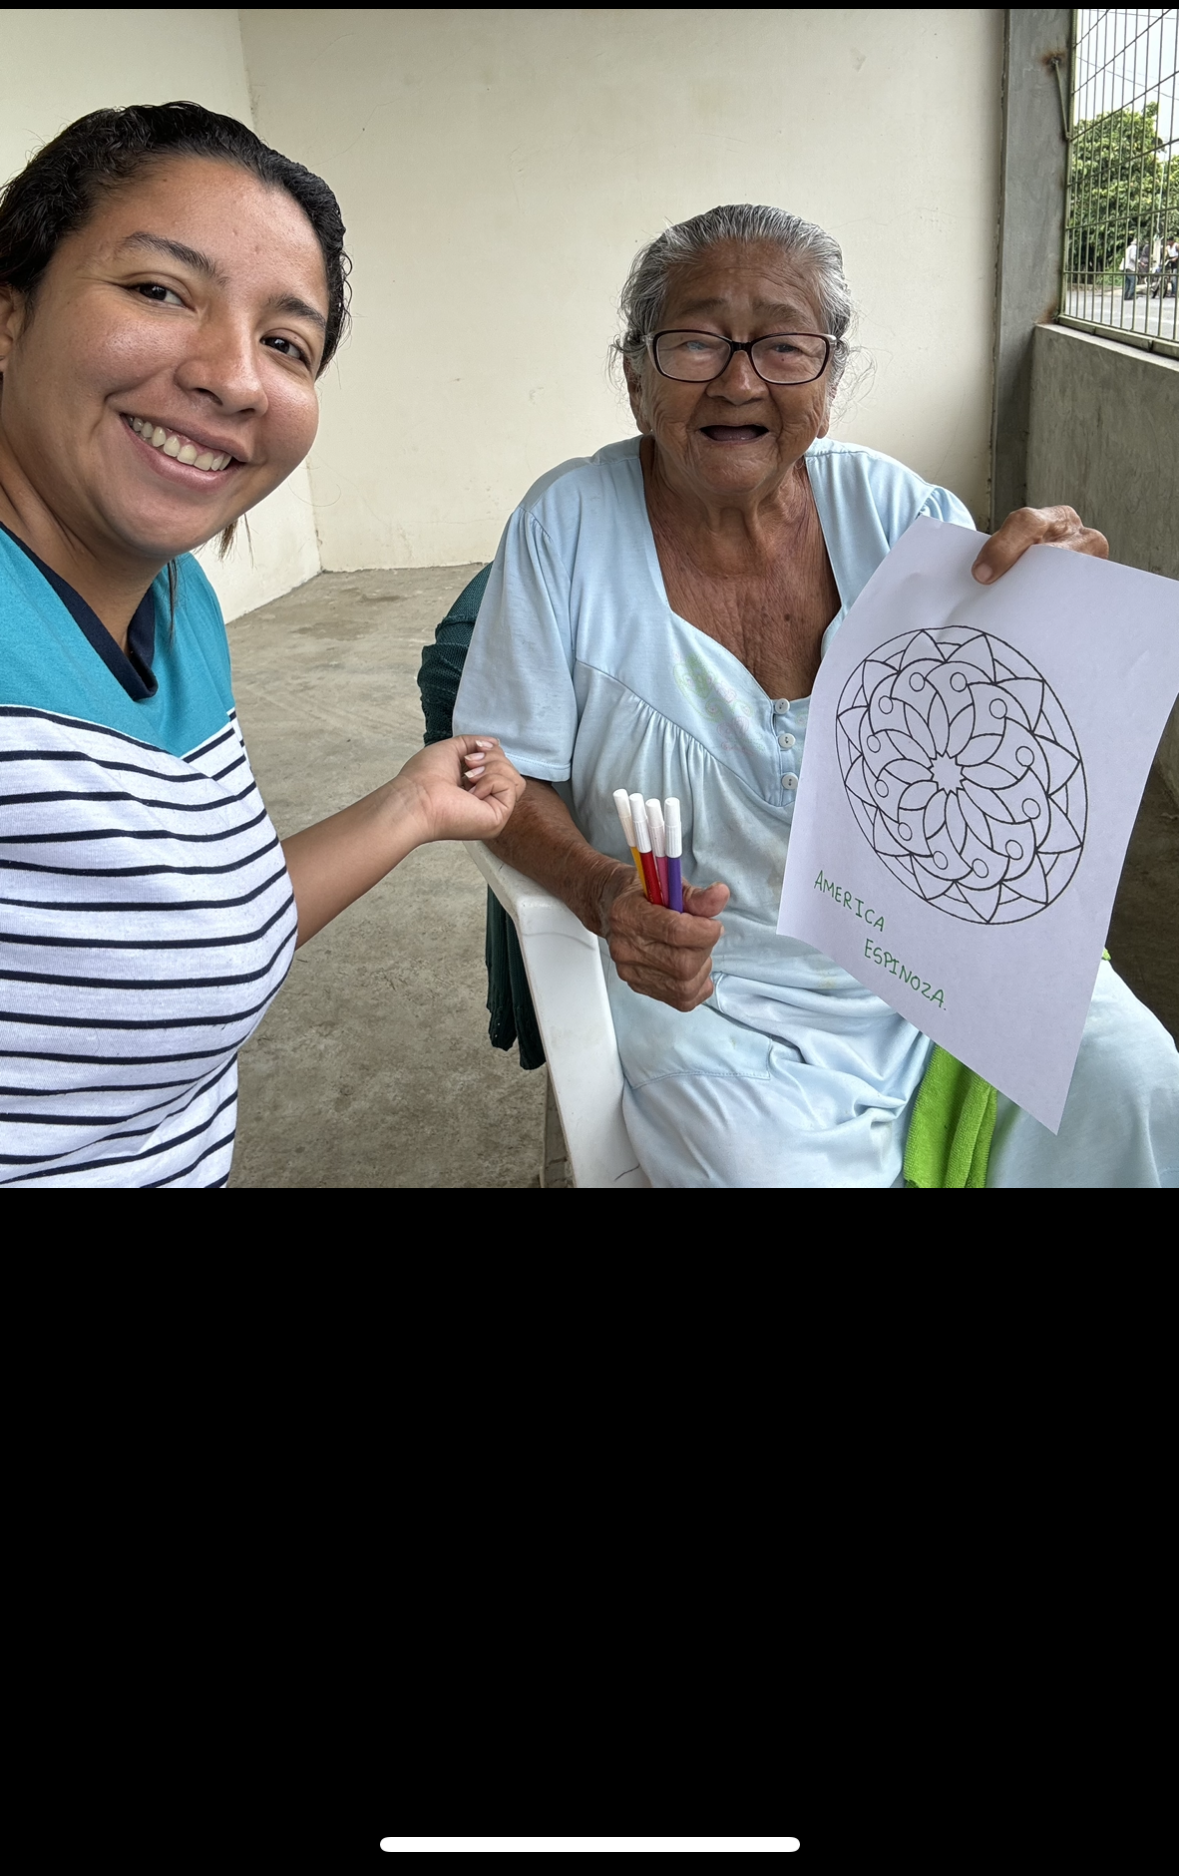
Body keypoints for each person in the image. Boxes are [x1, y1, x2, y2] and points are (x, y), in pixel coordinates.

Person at [454, 202, 1179, 1188]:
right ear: (635, 378)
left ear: (828, 383)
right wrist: (601, 890)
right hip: (721, 990)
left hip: (946, 951)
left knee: (1139, 1079)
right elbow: (500, 776)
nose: (739, 380)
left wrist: (1066, 610)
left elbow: (1007, 748)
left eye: (784, 346)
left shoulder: (901, 514)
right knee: (761, 1166)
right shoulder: (565, 529)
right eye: (696, 341)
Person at [0, 103, 523, 1188]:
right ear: (10, 315)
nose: (235, 378)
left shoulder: (177, 604)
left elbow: (187, 930)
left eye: (286, 344)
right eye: (159, 290)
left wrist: (410, 806)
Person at [1123, 238, 1139, 302]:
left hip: (1126, 266)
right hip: (1130, 266)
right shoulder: (1134, 247)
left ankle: (1125, 295)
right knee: (1134, 280)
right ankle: (1131, 295)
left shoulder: (1129, 247)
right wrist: (1138, 262)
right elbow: (1133, 257)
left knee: (1128, 281)